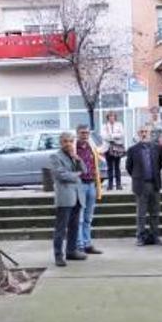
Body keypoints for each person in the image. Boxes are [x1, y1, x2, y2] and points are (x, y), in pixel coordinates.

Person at [49, 132, 88, 266]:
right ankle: (58, 255)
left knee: (74, 226)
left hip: (77, 196)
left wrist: (77, 159)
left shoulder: (73, 155)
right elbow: (61, 175)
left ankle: (71, 251)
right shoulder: (55, 156)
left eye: (71, 141)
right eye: (65, 141)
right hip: (65, 197)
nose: (68, 144)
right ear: (61, 142)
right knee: (61, 228)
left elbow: (85, 170)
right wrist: (76, 175)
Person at [127, 125, 162, 245]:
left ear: (150, 133)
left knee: (155, 212)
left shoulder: (157, 148)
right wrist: (138, 176)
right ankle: (140, 237)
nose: (144, 133)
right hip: (141, 185)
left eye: (146, 131)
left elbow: (159, 164)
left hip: (154, 184)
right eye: (141, 132)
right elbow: (129, 167)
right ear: (138, 134)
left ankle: (154, 236)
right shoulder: (133, 149)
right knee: (141, 213)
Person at [75, 124, 103, 255]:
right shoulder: (74, 148)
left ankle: (87, 243)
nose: (84, 135)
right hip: (80, 184)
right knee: (79, 217)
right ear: (77, 134)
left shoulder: (91, 147)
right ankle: (79, 244)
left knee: (88, 217)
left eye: (86, 133)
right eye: (82, 133)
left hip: (91, 184)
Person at [100, 111, 125, 190]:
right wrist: (114, 137)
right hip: (107, 148)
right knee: (109, 167)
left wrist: (112, 135)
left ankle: (118, 185)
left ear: (115, 117)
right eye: (110, 116)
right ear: (107, 117)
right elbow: (104, 136)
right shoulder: (104, 126)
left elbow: (122, 135)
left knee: (117, 167)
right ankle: (110, 185)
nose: (111, 118)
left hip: (117, 148)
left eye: (113, 116)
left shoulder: (119, 124)